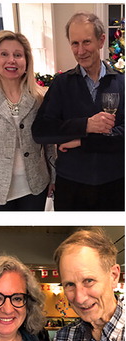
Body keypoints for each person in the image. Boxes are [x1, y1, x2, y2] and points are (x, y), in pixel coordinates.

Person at [32, 12, 125, 211]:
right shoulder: (61, 84)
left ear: (101, 41)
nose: (80, 51)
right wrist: (86, 125)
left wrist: (81, 141)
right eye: (75, 43)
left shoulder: (122, 83)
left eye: (86, 42)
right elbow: (41, 131)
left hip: (115, 185)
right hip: (71, 186)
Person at [0, 30, 56, 211]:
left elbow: (49, 144)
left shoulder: (39, 98)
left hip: (35, 186)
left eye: (18, 55)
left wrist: (53, 178)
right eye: (4, 54)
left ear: (27, 60)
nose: (11, 60)